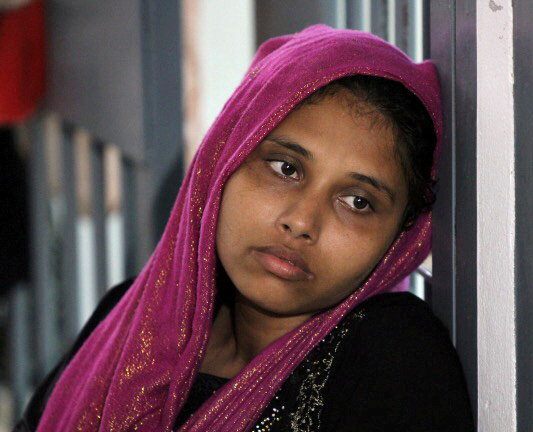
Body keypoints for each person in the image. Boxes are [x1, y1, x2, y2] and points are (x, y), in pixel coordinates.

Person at [15, 24, 473, 431]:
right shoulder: (132, 319)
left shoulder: (390, 364)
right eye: (285, 168)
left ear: (399, 238)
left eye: (358, 202)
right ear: (224, 160)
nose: (300, 222)